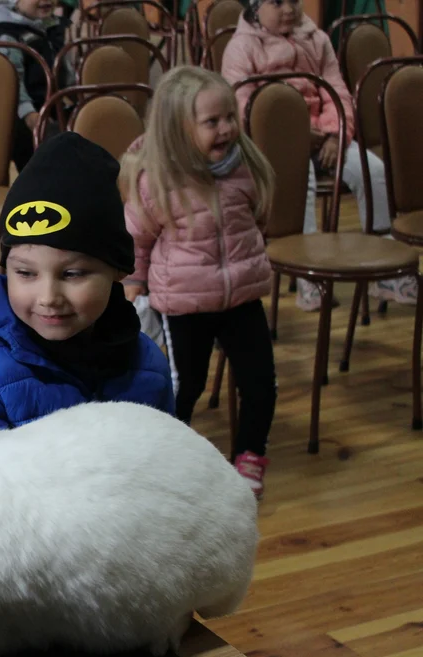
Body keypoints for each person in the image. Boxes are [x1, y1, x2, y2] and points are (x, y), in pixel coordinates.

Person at [0, 133, 174, 438]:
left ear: (118, 269)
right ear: (5, 269)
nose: (48, 297)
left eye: (73, 274)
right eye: (25, 273)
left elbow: (167, 464)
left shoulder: (147, 363)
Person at [122, 66, 277, 498]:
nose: (226, 128)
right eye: (213, 122)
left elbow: (258, 217)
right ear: (178, 129)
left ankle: (250, 455)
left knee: (261, 382)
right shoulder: (157, 180)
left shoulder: (244, 168)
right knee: (185, 384)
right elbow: (137, 238)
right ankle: (171, 455)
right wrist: (134, 281)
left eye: (230, 117)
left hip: (241, 296)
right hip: (184, 302)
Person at [221, 0, 416, 309]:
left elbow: (336, 91)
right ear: (257, 8)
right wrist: (293, 133)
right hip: (275, 143)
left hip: (325, 137)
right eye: (277, 2)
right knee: (302, 181)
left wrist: (335, 134)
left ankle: (386, 274)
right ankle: (309, 278)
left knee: (374, 172)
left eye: (294, 1)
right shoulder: (241, 48)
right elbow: (243, 106)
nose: (288, 9)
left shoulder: (317, 39)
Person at [0, 0, 71, 170]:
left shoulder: (50, 27)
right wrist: (29, 114)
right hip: (22, 117)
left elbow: (66, 71)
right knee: (56, 153)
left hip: (52, 106)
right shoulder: (8, 35)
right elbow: (12, 82)